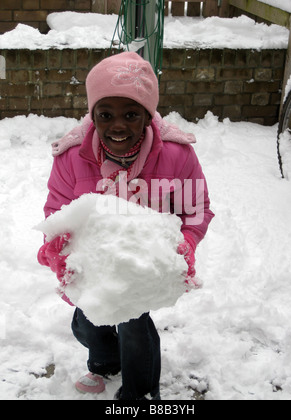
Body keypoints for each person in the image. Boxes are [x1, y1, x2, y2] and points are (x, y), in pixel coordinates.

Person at [37, 51, 214, 400]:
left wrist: (186, 243)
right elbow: (56, 208)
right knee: (86, 318)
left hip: (140, 261)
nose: (118, 125)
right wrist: (55, 247)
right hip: (93, 260)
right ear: (93, 115)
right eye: (105, 114)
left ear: (148, 116)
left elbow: (196, 209)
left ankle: (140, 392)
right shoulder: (72, 157)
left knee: (134, 326)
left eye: (131, 114)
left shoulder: (176, 156)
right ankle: (104, 362)